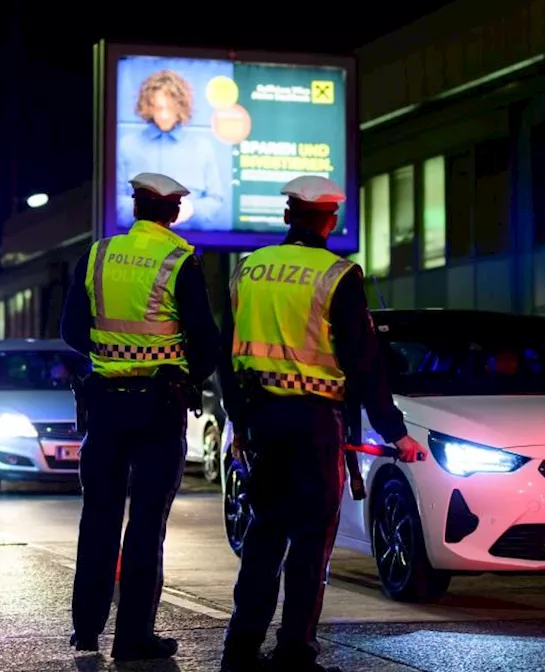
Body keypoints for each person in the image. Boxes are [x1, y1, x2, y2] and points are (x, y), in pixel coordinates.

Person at [217, 175, 427, 672]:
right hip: (314, 424)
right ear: (331, 221)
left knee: (263, 535)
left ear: (288, 216)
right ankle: (293, 654)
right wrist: (394, 431)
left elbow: (226, 358)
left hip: (262, 419)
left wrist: (241, 422)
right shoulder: (338, 276)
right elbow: (364, 364)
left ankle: (239, 652)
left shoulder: (248, 271)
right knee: (311, 541)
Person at [60, 171, 222, 661]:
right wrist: (180, 374)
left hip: (105, 404)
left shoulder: (97, 255)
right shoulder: (179, 262)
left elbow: (71, 329)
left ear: (135, 208)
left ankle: (86, 631)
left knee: (99, 520)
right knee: (147, 524)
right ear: (172, 212)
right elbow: (208, 345)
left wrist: (111, 356)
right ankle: (133, 639)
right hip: (158, 408)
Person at [116, 70, 227, 231]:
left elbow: (216, 201)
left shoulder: (202, 148)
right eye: (158, 107)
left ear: (181, 106)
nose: (165, 115)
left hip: (188, 242)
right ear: (148, 106)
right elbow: (114, 202)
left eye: (170, 107)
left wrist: (191, 209)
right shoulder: (127, 145)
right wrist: (147, 212)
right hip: (139, 240)